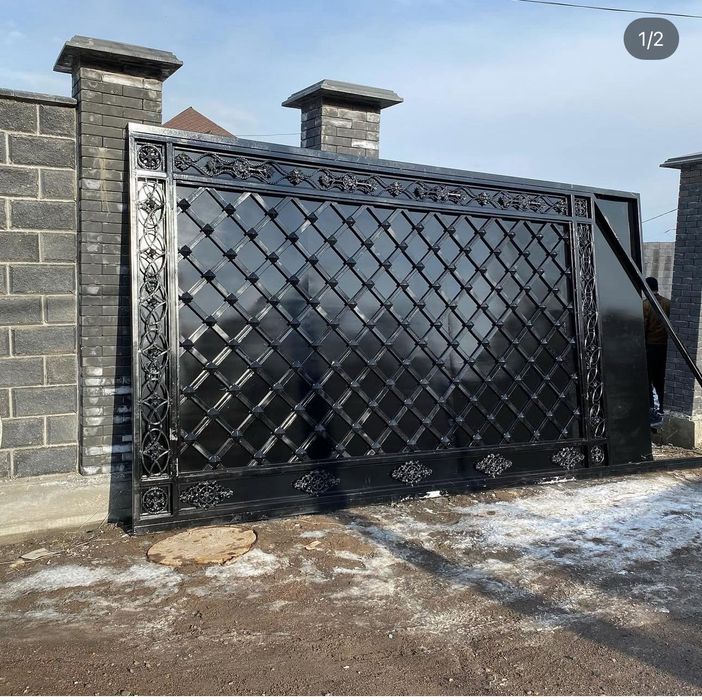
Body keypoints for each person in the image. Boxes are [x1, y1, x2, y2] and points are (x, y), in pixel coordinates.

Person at [643, 277, 671, 428]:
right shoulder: (668, 303)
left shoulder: (646, 305)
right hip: (664, 348)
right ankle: (662, 407)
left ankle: (650, 410)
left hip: (650, 347)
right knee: (661, 380)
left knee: (648, 380)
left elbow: (643, 327)